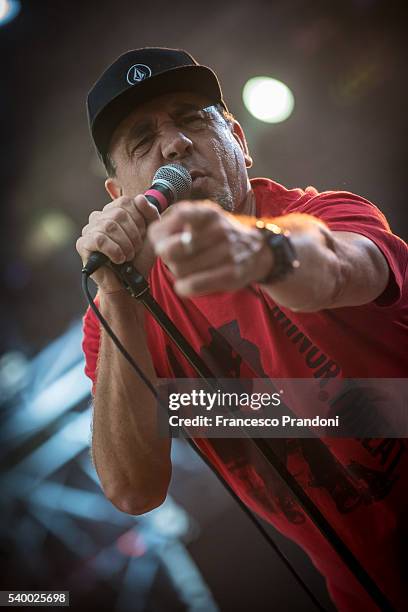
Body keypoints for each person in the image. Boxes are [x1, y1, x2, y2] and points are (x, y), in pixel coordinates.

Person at [77, 48, 408, 610]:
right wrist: (115, 294)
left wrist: (259, 249)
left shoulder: (324, 213)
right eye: (141, 140)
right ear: (119, 196)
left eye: (190, 118)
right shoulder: (119, 317)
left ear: (238, 139)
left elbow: (334, 266)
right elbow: (133, 489)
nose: (174, 144)